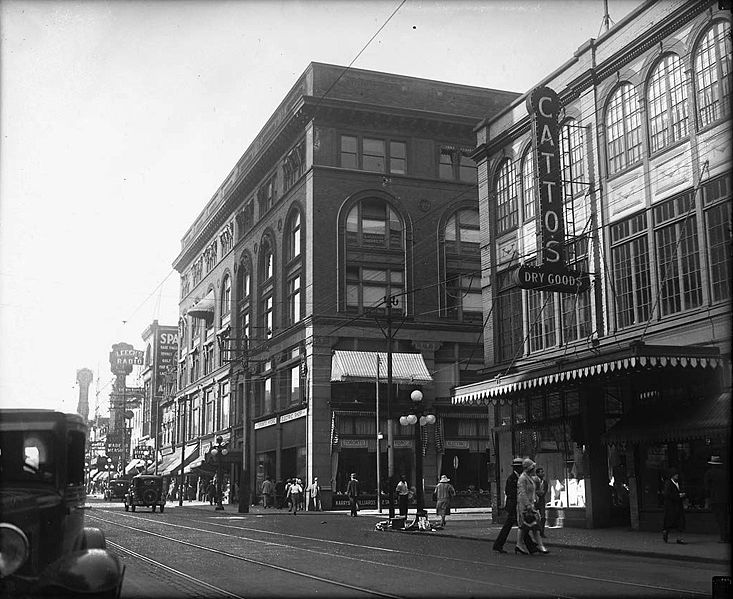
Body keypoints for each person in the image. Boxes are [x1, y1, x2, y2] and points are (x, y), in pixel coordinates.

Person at [517, 458, 547, 554]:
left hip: (531, 505)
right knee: (526, 526)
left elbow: (532, 490)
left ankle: (520, 544)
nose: (534, 469)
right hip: (525, 507)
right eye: (533, 467)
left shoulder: (529, 477)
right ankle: (521, 544)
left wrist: (535, 499)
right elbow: (522, 493)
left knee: (531, 527)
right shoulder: (523, 478)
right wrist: (527, 505)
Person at [493, 457, 523, 554]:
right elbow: (509, 492)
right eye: (519, 467)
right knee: (514, 525)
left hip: (517, 505)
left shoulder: (519, 478)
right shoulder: (512, 478)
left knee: (522, 525)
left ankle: (530, 546)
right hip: (513, 505)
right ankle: (498, 544)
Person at [704, 456, 729, 543]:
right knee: (725, 518)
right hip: (725, 498)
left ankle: (723, 537)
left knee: (720, 519)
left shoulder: (709, 473)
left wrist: (707, 500)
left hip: (715, 499)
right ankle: (726, 536)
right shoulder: (725, 473)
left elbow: (707, 488)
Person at [662, 469, 686, 544]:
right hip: (671, 506)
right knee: (671, 521)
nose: (677, 476)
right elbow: (667, 494)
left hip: (678, 505)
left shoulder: (678, 483)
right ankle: (666, 531)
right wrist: (678, 496)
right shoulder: (668, 483)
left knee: (680, 522)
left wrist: (682, 495)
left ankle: (679, 538)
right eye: (675, 475)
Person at [534, 466, 549, 538]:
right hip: (534, 500)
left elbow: (545, 490)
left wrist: (541, 493)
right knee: (533, 517)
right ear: (537, 473)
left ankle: (541, 532)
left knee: (543, 517)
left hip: (541, 500)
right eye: (541, 472)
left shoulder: (545, 482)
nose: (543, 473)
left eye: (543, 472)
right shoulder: (534, 481)